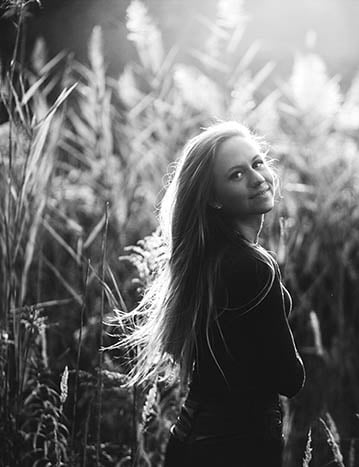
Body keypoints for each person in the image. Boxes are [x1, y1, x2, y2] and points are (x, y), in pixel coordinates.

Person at [117, 121, 305, 466]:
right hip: (238, 448)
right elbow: (290, 378)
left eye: (257, 162)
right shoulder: (255, 267)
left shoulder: (205, 260)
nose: (257, 177)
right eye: (236, 174)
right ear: (213, 199)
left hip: (189, 440)